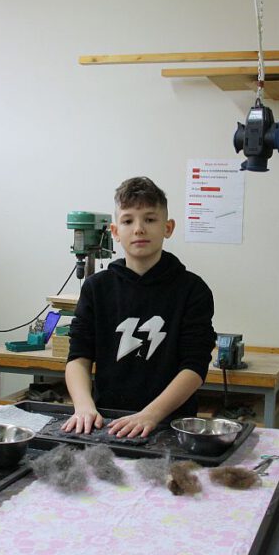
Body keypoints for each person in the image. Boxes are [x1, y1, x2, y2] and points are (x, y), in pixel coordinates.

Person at [61, 176, 216, 438]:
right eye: (128, 221)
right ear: (114, 231)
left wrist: (151, 415)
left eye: (150, 219)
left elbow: (195, 366)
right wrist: (84, 407)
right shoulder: (96, 288)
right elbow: (78, 357)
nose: (139, 229)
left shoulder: (193, 290)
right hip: (108, 423)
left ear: (168, 227)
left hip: (170, 425)